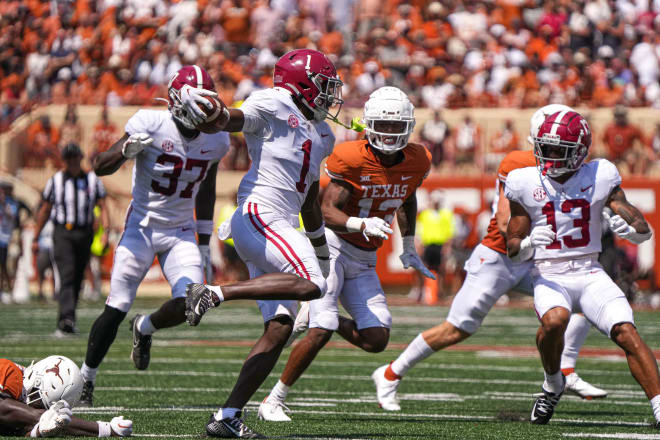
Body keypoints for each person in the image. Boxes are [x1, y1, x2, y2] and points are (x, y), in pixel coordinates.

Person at [371, 104, 607, 413]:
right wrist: (525, 238)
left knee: (583, 303)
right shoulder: (518, 164)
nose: (561, 150)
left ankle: (565, 371)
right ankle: (389, 374)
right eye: (554, 142)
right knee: (458, 327)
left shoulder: (576, 171)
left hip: (536, 260)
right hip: (499, 255)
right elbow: (504, 215)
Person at [182, 49, 341, 438]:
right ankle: (214, 292)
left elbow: (307, 199)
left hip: (283, 222)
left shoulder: (323, 133)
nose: (329, 96)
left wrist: (321, 249)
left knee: (280, 328)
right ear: (302, 85)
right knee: (312, 285)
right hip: (259, 214)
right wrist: (213, 113)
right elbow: (231, 119)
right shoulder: (273, 102)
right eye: (324, 87)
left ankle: (227, 416)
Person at [257, 87, 433, 422]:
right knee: (321, 327)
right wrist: (359, 223)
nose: (391, 133)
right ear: (368, 124)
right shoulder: (351, 157)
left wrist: (409, 245)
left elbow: (407, 196)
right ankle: (273, 400)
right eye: (384, 125)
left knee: (376, 338)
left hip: (364, 257)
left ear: (409, 127)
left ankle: (320, 312)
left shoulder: (418, 159)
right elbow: (325, 210)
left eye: (397, 127)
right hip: (332, 247)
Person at [76, 65, 231, 408]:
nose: (208, 113)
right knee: (116, 306)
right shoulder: (150, 122)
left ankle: (145, 327)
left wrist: (204, 243)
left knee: (193, 303)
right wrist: (125, 151)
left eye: (210, 104)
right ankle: (87, 378)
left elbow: (207, 186)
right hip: (142, 227)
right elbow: (100, 165)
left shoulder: (218, 139)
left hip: (180, 231)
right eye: (201, 105)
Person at [505, 109, 660, 427]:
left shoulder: (600, 174)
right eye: (544, 147)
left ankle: (659, 406)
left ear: (578, 152)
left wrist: (633, 231)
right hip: (548, 271)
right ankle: (552, 383)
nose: (547, 156)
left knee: (626, 332)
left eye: (556, 150)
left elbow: (640, 224)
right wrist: (529, 242)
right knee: (556, 319)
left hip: (589, 271)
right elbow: (513, 249)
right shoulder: (523, 181)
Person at [32, 144, 108, 336]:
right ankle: (66, 317)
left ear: (80, 158)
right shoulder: (55, 181)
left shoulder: (92, 180)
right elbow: (46, 209)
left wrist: (105, 231)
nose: (72, 162)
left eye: (75, 158)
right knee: (67, 273)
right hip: (63, 232)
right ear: (64, 161)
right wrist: (36, 235)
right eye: (69, 158)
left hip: (84, 233)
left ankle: (68, 319)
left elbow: (102, 205)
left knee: (77, 277)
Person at [0, 356, 132, 437]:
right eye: (39, 403)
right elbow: (6, 409)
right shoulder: (8, 372)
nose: (37, 409)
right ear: (37, 380)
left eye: (44, 409)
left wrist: (107, 429)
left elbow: (57, 421)